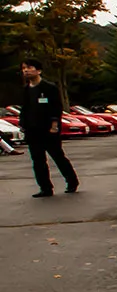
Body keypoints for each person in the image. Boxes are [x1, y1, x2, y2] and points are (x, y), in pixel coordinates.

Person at [18, 58, 78, 198]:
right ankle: (45, 187)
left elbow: (56, 107)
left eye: (29, 67)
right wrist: (23, 123)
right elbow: (25, 108)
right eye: (24, 68)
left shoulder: (49, 87)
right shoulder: (26, 90)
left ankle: (72, 181)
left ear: (38, 70)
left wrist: (54, 125)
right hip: (32, 130)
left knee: (58, 156)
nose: (26, 70)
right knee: (38, 160)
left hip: (49, 129)